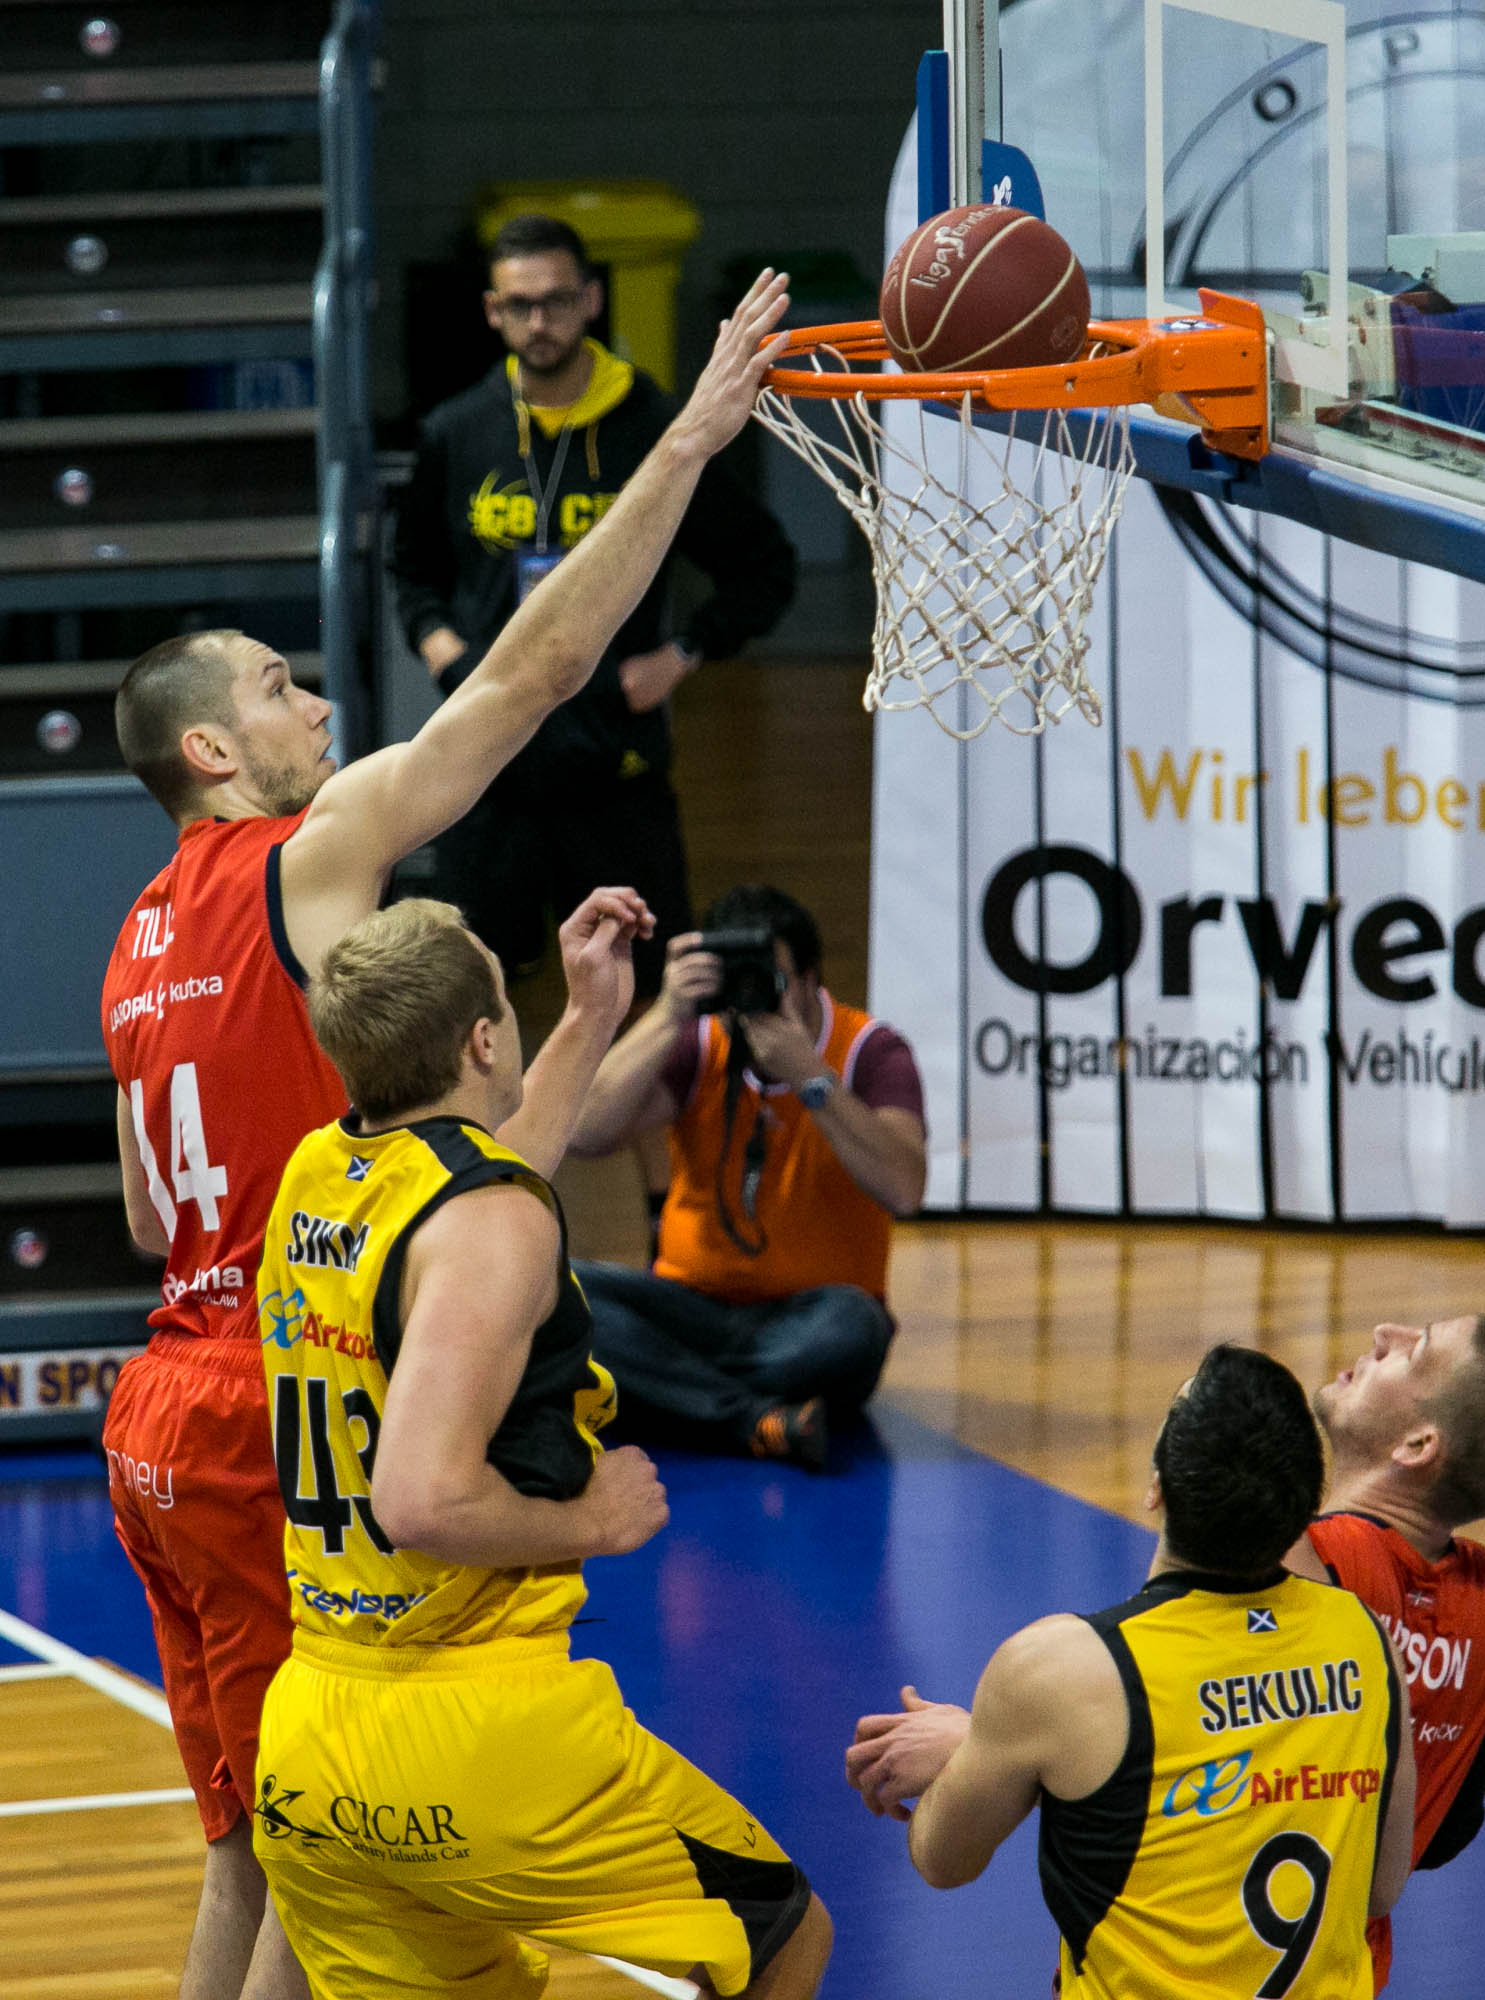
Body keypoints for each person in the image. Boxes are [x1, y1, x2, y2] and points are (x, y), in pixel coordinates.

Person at [97, 268, 792, 2000]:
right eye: (274, 687)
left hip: (154, 1412)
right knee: (323, 1864)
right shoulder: (306, 854)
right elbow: (539, 667)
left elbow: (140, 1214)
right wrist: (696, 435)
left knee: (257, 1859)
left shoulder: (132, 938)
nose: (315, 703)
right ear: (210, 747)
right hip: (282, 1395)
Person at [250, 897, 832, 2000]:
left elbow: (470, 1193)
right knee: (782, 1936)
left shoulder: (318, 1171)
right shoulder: (491, 1222)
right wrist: (591, 1522)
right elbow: (419, 1497)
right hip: (477, 1731)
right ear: (479, 1039)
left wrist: (590, 1014)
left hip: (316, 1725)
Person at [845, 1344, 1415, 2000]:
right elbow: (1381, 1885)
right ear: (1300, 1512)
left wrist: (979, 1752)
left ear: (1154, 1489)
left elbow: (940, 1860)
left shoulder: (1058, 1671)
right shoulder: (1363, 1636)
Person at [390, 211, 797, 998]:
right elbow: (411, 568)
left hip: (613, 761)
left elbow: (764, 567)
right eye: (518, 305)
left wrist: (682, 655)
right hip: (486, 764)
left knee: (651, 989)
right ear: (491, 311)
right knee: (471, 992)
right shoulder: (456, 432)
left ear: (591, 301)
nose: (537, 322)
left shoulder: (657, 429)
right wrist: (447, 655)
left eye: (555, 301)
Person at [567, 884, 927, 1469]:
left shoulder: (870, 1050)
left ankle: (660, 1388)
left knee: (855, 1330)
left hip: (810, 1319)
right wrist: (666, 1013)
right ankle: (749, 1417)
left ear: (811, 979)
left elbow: (904, 1189)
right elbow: (583, 1132)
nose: (751, 994)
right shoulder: (697, 1043)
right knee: (559, 1288)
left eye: (770, 977)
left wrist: (807, 1074)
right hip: (689, 1306)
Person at [1289, 1312, 1485, 1993]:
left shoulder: (1298, 1561)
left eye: (1413, 1349)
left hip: (1189, 1957)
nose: (1384, 1332)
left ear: (1417, 1443)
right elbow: (1449, 1830)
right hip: (1347, 1972)